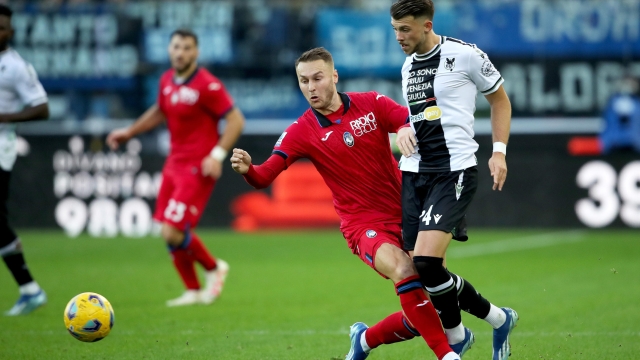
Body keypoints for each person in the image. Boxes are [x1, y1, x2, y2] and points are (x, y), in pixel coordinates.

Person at [231, 47, 508, 360]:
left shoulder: (371, 103)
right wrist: (249, 171)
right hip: (362, 224)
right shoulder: (301, 131)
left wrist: (405, 129)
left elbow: (406, 118)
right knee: (404, 270)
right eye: (303, 80)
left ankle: (363, 340)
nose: (311, 87)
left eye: (317, 78)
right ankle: (448, 355)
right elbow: (265, 175)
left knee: (427, 302)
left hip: (408, 212)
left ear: (334, 76)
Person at [390, 1, 518, 359]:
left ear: (427, 25)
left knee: (428, 265)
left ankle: (456, 337)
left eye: (405, 30)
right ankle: (498, 318)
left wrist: (499, 152)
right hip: (414, 173)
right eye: (395, 30)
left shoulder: (465, 55)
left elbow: (500, 101)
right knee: (426, 272)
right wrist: (403, 129)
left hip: (455, 171)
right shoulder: (407, 67)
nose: (399, 37)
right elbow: (416, 119)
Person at [107, 29, 245, 307]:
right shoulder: (166, 80)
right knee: (167, 231)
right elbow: (160, 110)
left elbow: (236, 120)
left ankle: (213, 268)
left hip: (198, 167)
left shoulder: (207, 85)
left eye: (186, 48)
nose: (180, 52)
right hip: (174, 164)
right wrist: (130, 132)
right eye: (176, 47)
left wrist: (217, 155)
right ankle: (192, 290)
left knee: (173, 230)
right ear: (169, 50)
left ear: (196, 52)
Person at [0, 4, 49, 316]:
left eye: (2, 28)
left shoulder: (16, 67)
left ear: (11, 32)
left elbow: (42, 108)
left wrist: (4, 117)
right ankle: (29, 289)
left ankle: (30, 289)